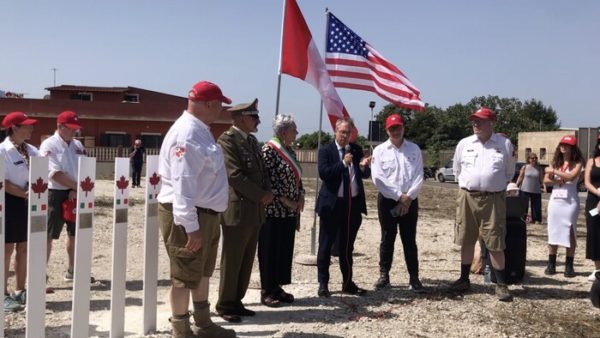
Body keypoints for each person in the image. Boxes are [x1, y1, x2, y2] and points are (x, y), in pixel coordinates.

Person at [156, 81, 235, 338]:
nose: (221, 110)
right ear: (209, 104)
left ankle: (203, 324)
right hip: (191, 215)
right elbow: (183, 184)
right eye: (220, 105)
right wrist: (191, 227)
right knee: (184, 276)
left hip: (206, 214)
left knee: (201, 272)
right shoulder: (187, 134)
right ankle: (180, 330)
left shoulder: (200, 130)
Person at [216, 98, 273, 322]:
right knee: (232, 260)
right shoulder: (227, 141)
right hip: (238, 211)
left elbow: (263, 172)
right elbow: (234, 176)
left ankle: (236, 300)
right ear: (241, 118)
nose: (258, 121)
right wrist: (261, 195)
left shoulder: (252, 141)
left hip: (255, 211)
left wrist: (267, 191)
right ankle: (225, 304)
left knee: (247, 259)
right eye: (254, 117)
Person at [450, 107, 515, 302]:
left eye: (480, 121)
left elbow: (509, 172)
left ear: (491, 122)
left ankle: (501, 284)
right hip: (467, 197)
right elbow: (457, 170)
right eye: (473, 121)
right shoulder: (464, 143)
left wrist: (491, 184)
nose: (475, 125)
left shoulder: (504, 144)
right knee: (466, 238)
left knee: (495, 242)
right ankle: (463, 279)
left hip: (493, 198)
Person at [316, 117, 371, 298]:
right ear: (335, 131)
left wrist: (364, 167)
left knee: (347, 247)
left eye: (349, 133)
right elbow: (324, 173)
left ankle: (348, 283)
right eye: (343, 132)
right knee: (325, 246)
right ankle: (323, 284)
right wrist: (343, 163)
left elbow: (363, 175)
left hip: (351, 206)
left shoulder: (354, 149)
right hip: (332, 205)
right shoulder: (326, 150)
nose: (345, 136)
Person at [370, 114, 424, 293]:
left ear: (404, 128)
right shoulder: (379, 151)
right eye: (392, 128)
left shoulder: (414, 149)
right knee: (387, 238)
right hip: (388, 201)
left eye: (398, 127)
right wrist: (399, 196)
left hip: (410, 201)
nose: (396, 131)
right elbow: (378, 178)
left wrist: (408, 197)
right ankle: (384, 275)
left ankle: (414, 277)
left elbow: (418, 176)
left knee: (409, 240)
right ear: (386, 130)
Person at [258, 114, 304, 307]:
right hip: (274, 210)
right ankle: (267, 290)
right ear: (284, 132)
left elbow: (297, 177)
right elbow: (266, 181)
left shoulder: (289, 150)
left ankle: (277, 286)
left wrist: (300, 194)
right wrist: (286, 200)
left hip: (289, 212)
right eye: (294, 130)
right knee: (270, 249)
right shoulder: (269, 150)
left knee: (283, 249)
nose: (297, 133)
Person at [40, 110, 89, 288]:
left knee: (75, 233)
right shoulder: (49, 145)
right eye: (71, 128)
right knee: (48, 234)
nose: (74, 132)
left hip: (77, 192)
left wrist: (77, 189)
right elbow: (54, 174)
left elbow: (85, 167)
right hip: (56, 193)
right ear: (60, 126)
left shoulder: (77, 145)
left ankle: (72, 270)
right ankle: (40, 274)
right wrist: (76, 187)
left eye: (76, 128)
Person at [0, 112, 39, 312]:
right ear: (14, 128)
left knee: (23, 247)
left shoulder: (33, 151)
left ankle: (20, 289)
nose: (31, 128)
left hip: (29, 202)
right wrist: (26, 194)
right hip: (9, 201)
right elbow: (3, 182)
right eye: (27, 126)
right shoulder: (2, 150)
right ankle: (2, 293)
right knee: (6, 249)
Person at [543, 135, 584, 278]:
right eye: (562, 144)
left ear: (572, 148)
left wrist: (554, 172)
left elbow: (571, 177)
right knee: (553, 230)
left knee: (570, 231)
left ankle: (569, 265)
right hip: (556, 200)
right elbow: (546, 180)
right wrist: (557, 178)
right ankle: (551, 263)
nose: (563, 147)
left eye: (566, 145)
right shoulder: (556, 162)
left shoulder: (578, 162)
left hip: (570, 201)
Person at [584, 135, 600, 281]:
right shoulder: (591, 161)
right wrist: (598, 192)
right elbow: (587, 182)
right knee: (593, 233)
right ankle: (597, 269)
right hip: (593, 201)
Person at [516, 153, 545, 224]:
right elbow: (520, 177)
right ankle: (522, 218)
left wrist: (544, 187)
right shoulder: (525, 167)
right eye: (532, 158)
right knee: (523, 205)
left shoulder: (539, 168)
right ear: (529, 159)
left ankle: (536, 219)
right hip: (525, 188)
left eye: (535, 158)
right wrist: (516, 185)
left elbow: (541, 179)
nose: (534, 159)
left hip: (536, 189)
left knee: (536, 205)